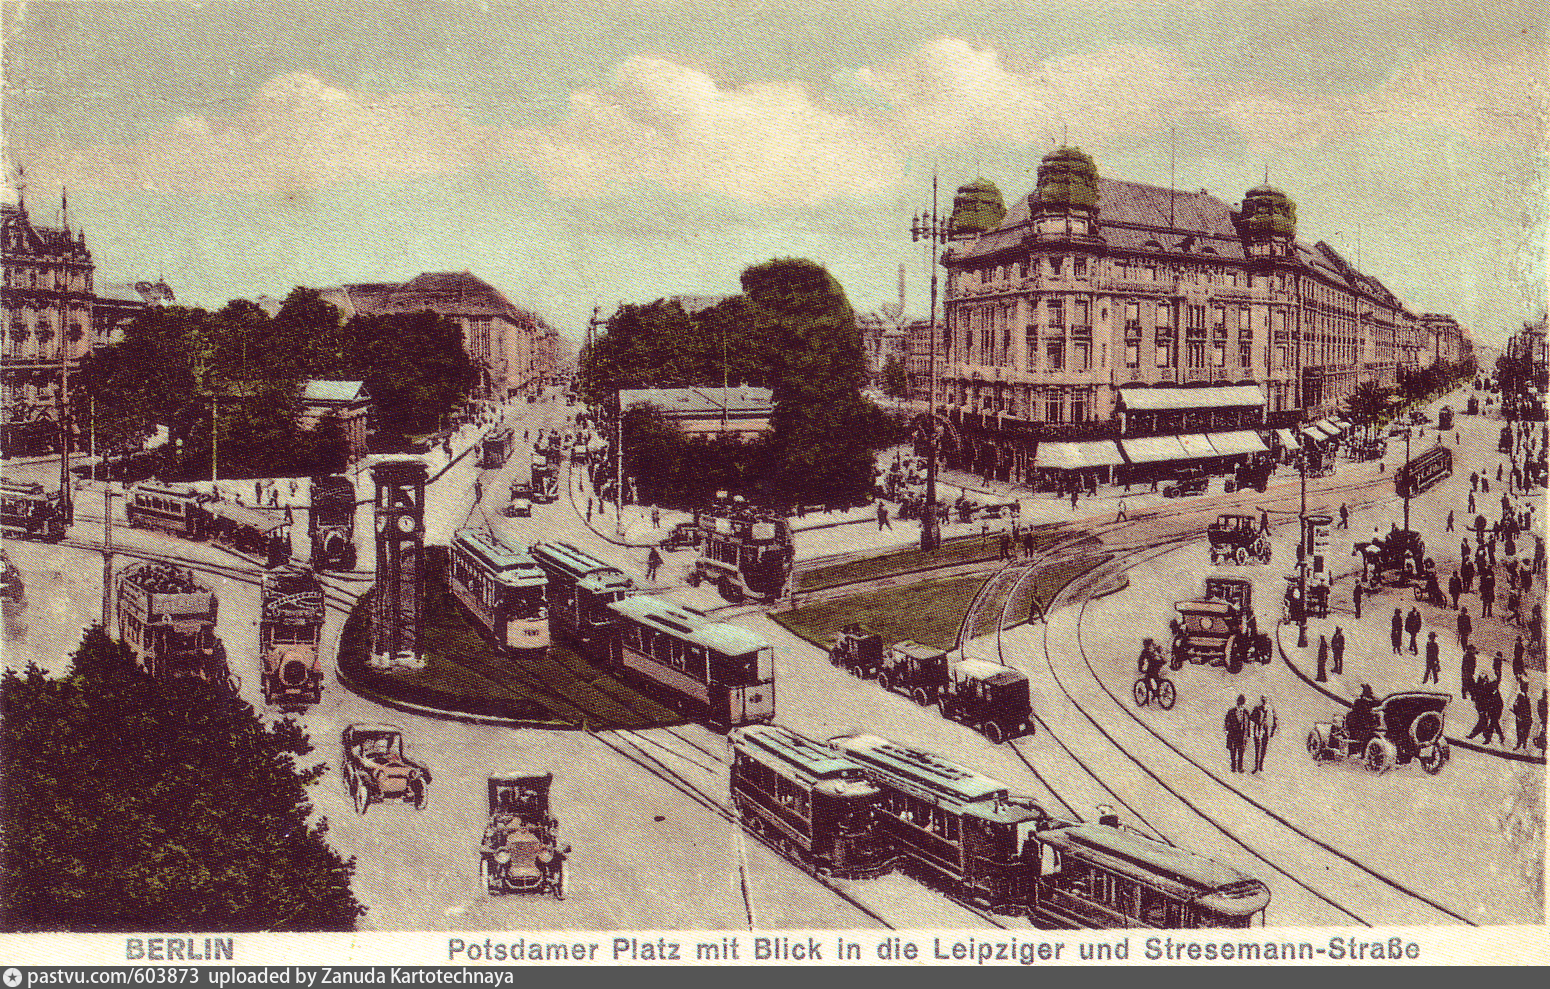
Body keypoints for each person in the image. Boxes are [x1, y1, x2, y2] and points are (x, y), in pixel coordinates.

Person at [1249, 696, 1277, 774]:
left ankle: (1260, 765)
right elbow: (1251, 718)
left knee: (1263, 749)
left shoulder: (1271, 710)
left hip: (1266, 731)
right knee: (1257, 749)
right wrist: (1258, 721)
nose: (1264, 701)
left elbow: (1275, 721)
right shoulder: (1257, 708)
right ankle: (1256, 766)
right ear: (1261, 700)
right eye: (1263, 700)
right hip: (1258, 731)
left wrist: (1273, 731)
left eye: (1266, 700)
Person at [1224, 695, 1250, 773]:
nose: (1240, 705)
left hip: (1242, 736)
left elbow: (1248, 725)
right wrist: (1228, 730)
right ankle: (1233, 767)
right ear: (1237, 702)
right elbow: (1226, 722)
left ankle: (1240, 767)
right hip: (1233, 735)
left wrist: (1247, 735)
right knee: (1233, 751)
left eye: (1242, 703)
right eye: (1239, 703)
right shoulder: (1231, 711)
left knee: (1241, 752)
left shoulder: (1246, 712)